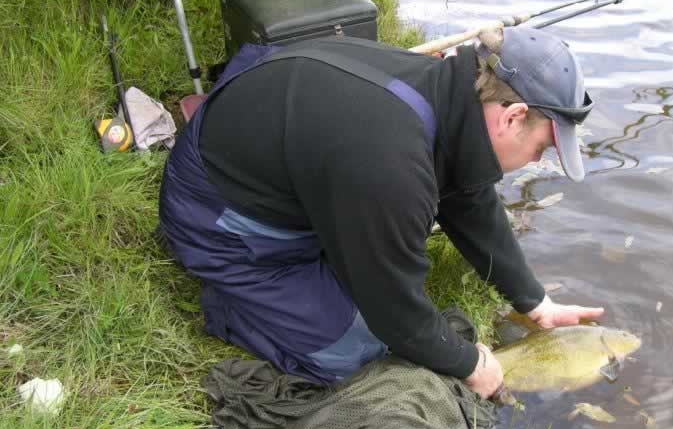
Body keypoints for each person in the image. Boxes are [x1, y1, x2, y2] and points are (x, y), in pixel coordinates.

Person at [158, 23, 604, 399]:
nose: (536, 162)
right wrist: (469, 364)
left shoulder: (446, 89)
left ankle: (311, 263)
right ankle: (236, 304)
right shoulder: (391, 164)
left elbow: (469, 198)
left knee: (375, 269)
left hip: (273, 159)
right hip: (214, 215)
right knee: (360, 352)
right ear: (513, 116)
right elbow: (396, 315)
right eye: (542, 147)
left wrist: (534, 300)